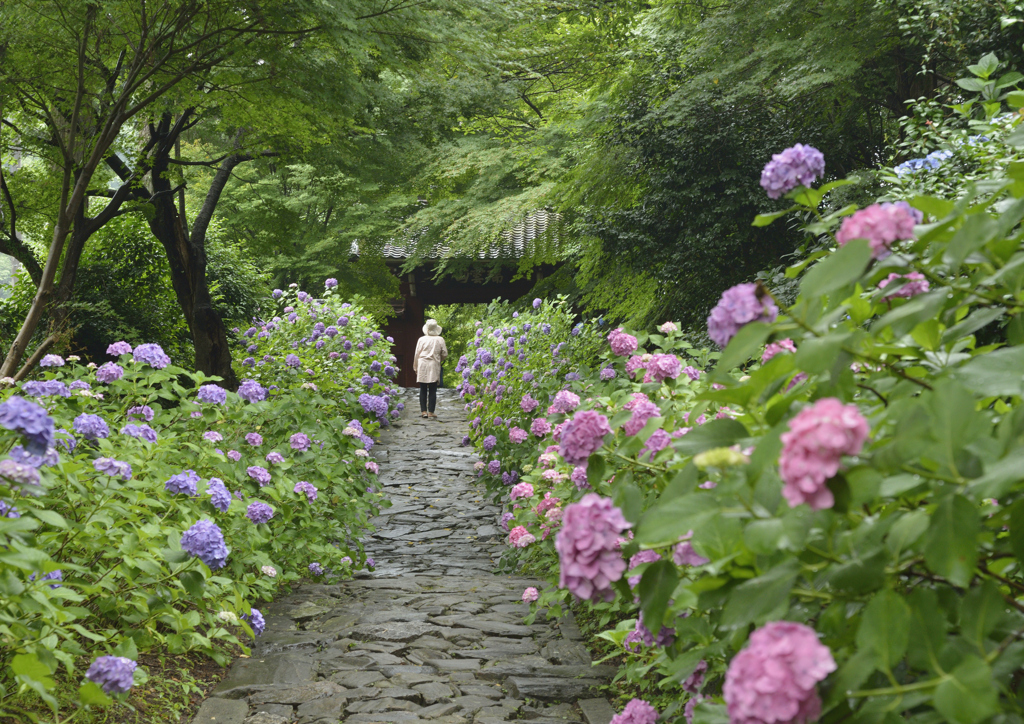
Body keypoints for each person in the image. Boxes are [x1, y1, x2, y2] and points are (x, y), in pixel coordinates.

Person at [413, 319, 448, 418]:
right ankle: (431, 412)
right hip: (433, 364)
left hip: (422, 363)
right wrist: (438, 358)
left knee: (423, 388)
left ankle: (423, 411)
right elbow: (445, 353)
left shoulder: (421, 339)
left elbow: (417, 354)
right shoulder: (440, 339)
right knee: (433, 389)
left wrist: (415, 367)